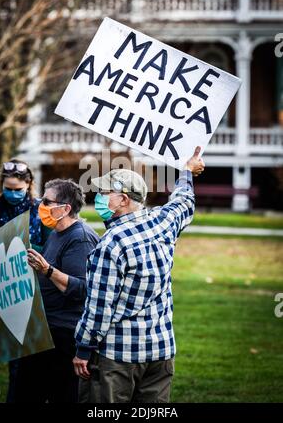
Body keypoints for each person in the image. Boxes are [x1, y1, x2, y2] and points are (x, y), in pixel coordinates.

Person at [73, 146, 205, 403]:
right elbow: (184, 201)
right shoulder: (162, 222)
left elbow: (99, 309)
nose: (98, 197)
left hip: (118, 357)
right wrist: (187, 172)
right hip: (161, 351)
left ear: (123, 200)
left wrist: (83, 349)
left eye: (104, 192)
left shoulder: (110, 245)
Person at [14, 178, 99, 403]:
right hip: (43, 329)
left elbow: (83, 289)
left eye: (47, 201)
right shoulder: (57, 232)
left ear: (65, 208)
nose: (41, 205)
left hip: (63, 336)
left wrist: (47, 269)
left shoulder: (80, 239)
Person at [0, 159, 50, 403]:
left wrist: (27, 247)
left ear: (29, 184)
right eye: (8, 188)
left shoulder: (40, 210)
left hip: (25, 293)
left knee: (20, 366)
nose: (12, 193)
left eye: (17, 189)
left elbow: (51, 249)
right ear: (1, 184)